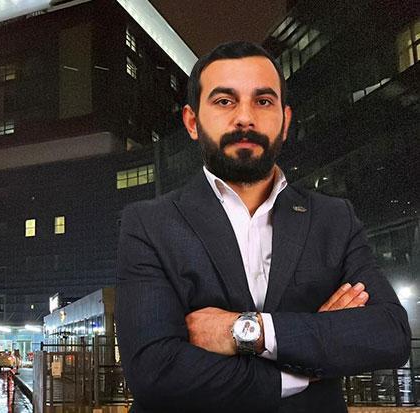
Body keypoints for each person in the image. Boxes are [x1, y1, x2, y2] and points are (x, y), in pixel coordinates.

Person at [114, 41, 411, 412]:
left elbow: (389, 334)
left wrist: (247, 331)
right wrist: (304, 365)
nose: (245, 118)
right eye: (225, 101)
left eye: (263, 101)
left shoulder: (334, 219)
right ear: (192, 122)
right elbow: (154, 373)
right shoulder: (149, 223)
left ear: (285, 121)